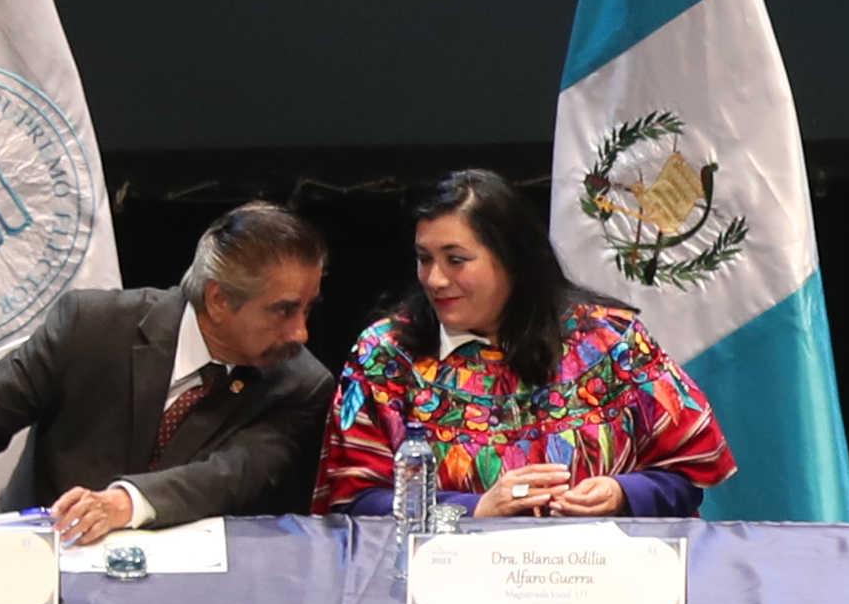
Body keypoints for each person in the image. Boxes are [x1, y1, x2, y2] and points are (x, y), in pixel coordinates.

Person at [0, 203, 334, 539]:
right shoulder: (91, 328)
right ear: (218, 300)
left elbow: (232, 476)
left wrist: (125, 502)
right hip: (42, 568)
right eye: (284, 310)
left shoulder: (299, 385)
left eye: (308, 308)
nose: (301, 332)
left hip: (187, 599)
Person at [313, 169, 733, 518]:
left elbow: (687, 477)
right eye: (425, 258)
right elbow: (353, 501)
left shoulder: (609, 341)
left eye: (456, 260)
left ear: (512, 259)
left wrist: (623, 493)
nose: (435, 279)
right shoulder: (387, 354)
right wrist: (474, 509)